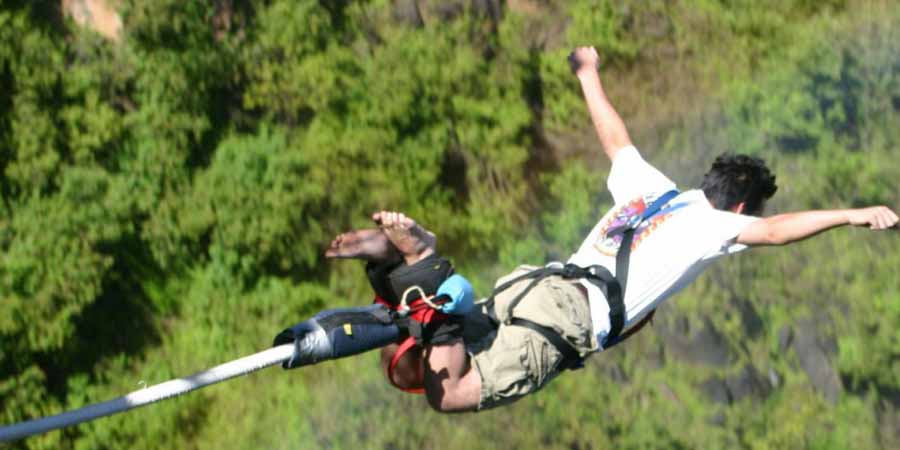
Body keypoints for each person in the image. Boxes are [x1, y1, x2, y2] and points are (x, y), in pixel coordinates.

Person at [275, 46, 899, 413]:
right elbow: (782, 230)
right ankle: (425, 267)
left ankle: (398, 278)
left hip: (533, 287)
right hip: (568, 318)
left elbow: (614, 136)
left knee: (424, 352)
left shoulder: (653, 190)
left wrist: (586, 73)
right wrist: (851, 215)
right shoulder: (715, 228)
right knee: (451, 394)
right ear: (740, 210)